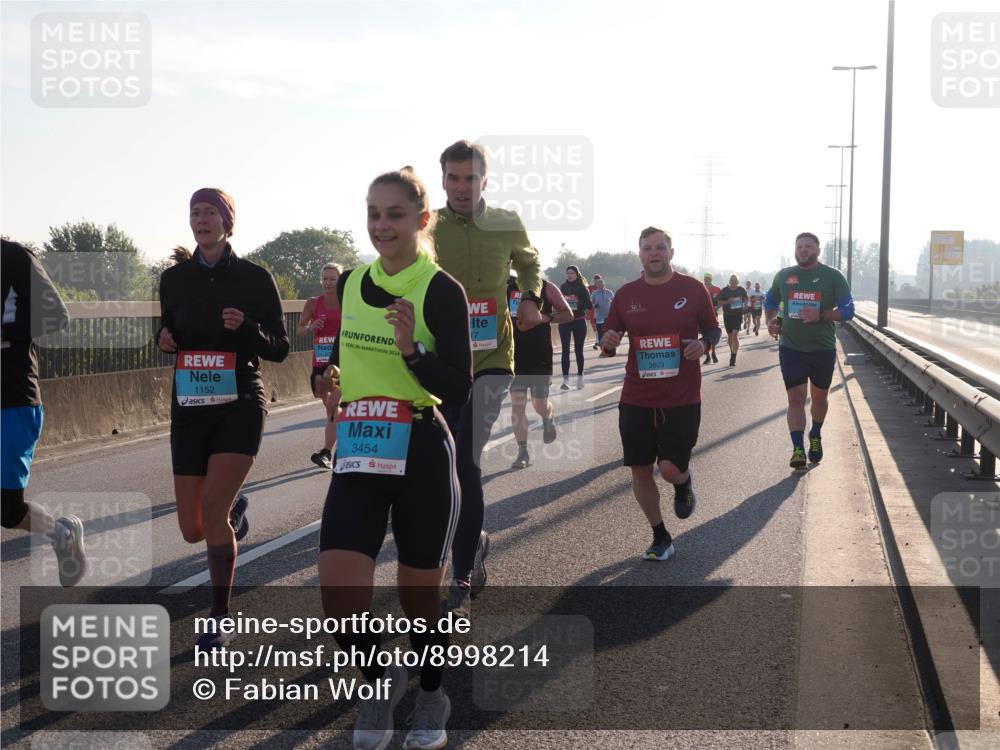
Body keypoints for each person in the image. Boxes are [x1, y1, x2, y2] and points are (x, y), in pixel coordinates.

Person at [318, 167, 472, 750]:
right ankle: (378, 679)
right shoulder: (353, 280)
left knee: (419, 601)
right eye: (373, 213)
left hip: (421, 450)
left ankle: (433, 695)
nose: (381, 226)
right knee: (339, 599)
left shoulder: (440, 291)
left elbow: (456, 387)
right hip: (360, 449)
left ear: (422, 220)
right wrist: (325, 371)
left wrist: (411, 351)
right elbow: (339, 342)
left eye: (395, 215)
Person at [158, 188, 289, 647]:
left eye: (210, 211)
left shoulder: (255, 278)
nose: (201, 218)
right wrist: (164, 339)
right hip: (191, 407)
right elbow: (168, 327)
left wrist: (248, 330)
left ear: (227, 222)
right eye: (194, 211)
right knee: (192, 529)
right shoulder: (173, 279)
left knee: (210, 514)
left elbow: (280, 346)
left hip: (239, 403)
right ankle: (233, 507)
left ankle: (219, 616)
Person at [433, 140, 543, 615]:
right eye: (453, 178)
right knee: (439, 465)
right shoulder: (427, 225)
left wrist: (531, 296)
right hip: (439, 362)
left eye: (470, 178)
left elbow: (530, 261)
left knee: (465, 457)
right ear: (442, 180)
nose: (461, 187)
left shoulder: (506, 222)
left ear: (485, 180)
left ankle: (457, 576)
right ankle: (472, 541)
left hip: (494, 358)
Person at [601, 228, 720, 561]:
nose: (654, 253)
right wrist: (608, 343)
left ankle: (682, 484)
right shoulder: (626, 295)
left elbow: (713, 328)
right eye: (647, 248)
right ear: (639, 253)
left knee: (668, 468)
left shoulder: (693, 289)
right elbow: (609, 340)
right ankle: (660, 536)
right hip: (637, 396)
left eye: (660, 248)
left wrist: (705, 344)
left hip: (681, 397)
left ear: (671, 252)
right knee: (640, 469)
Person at [1, 239, 87, 586]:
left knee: (8, 511)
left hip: (11, 397)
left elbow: (55, 315)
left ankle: (60, 532)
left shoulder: (13, 257)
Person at [764, 232, 854, 469]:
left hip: (822, 348)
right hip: (791, 347)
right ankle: (797, 449)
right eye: (800, 246)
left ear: (817, 250)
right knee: (795, 398)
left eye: (808, 246)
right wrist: (771, 320)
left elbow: (848, 310)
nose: (803, 250)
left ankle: (815, 434)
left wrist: (822, 315)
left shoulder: (832, 277)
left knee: (819, 398)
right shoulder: (784, 276)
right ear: (795, 250)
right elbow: (771, 301)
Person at [507, 274, 573, 469]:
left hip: (539, 355)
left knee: (539, 404)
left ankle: (548, 416)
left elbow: (568, 314)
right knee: (517, 405)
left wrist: (546, 317)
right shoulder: (504, 287)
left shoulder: (546, 287)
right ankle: (523, 452)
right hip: (514, 356)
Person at [298, 263, 343, 469]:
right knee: (330, 410)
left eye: (332, 278)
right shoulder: (313, 303)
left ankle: (326, 452)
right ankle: (343, 435)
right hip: (320, 362)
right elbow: (299, 330)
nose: (328, 282)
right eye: (325, 278)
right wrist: (310, 327)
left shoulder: (348, 302)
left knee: (333, 405)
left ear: (340, 280)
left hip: (341, 363)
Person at [559, 265, 593, 390]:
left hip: (578, 320)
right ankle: (565, 380)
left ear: (577, 274)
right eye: (568, 273)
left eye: (572, 273)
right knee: (565, 350)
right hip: (565, 321)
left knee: (579, 350)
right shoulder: (563, 287)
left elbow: (589, 305)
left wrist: (577, 302)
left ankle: (580, 377)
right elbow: (558, 302)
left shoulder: (582, 287)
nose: (569, 275)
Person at [717, 274, 749, 367]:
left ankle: (733, 357)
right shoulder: (725, 290)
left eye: (735, 280)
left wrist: (745, 304)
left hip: (737, 315)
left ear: (737, 281)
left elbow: (746, 299)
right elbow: (719, 302)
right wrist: (728, 301)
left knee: (735, 335)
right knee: (730, 336)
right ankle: (732, 352)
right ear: (730, 281)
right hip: (727, 315)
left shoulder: (741, 290)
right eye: (732, 280)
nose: (734, 282)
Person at [589, 274, 615, 355]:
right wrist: (594, 305)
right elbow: (590, 304)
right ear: (596, 285)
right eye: (598, 284)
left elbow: (614, 302)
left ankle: (611, 349)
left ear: (604, 284)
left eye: (601, 284)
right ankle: (603, 351)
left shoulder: (609, 292)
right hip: (599, 317)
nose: (600, 286)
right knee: (601, 334)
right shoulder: (594, 294)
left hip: (609, 316)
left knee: (609, 334)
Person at [702, 273, 721, 364]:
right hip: (701, 315)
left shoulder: (717, 289)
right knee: (704, 335)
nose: (707, 280)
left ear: (711, 279)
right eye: (706, 278)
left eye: (709, 278)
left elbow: (721, 301)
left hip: (713, 314)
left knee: (712, 334)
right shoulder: (700, 288)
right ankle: (708, 356)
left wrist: (716, 308)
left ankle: (713, 353)